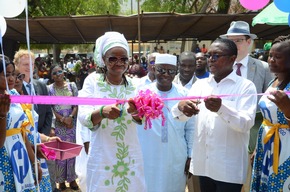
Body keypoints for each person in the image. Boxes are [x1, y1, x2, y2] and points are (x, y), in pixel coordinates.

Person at [172, 39, 257, 192]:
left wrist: (221, 108)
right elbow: (181, 118)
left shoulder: (245, 86)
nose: (210, 60)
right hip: (203, 164)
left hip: (228, 168)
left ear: (232, 59)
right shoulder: (200, 85)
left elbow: (246, 124)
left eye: (216, 56)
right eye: (209, 55)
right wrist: (181, 108)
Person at [77, 31, 146, 192]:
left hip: (130, 153)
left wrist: (136, 112)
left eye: (123, 59)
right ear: (103, 60)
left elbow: (141, 119)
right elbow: (83, 116)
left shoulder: (135, 85)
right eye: (112, 58)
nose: (119, 63)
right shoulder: (93, 81)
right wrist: (102, 112)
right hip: (102, 154)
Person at [220, 21, 274, 192]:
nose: (233, 45)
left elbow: (270, 104)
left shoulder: (263, 68)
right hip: (225, 133)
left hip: (254, 135)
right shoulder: (219, 67)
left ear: (249, 42)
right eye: (230, 40)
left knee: (250, 181)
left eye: (238, 40)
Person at [137, 54, 195, 192]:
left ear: (176, 72)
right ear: (154, 69)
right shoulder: (143, 93)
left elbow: (191, 128)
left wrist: (190, 155)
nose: (166, 75)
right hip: (148, 153)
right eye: (161, 70)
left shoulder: (184, 94)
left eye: (171, 71)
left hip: (175, 154)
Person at [13, 50, 57, 191]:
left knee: (45, 177)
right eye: (25, 64)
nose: (29, 67)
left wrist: (41, 136)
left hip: (41, 138)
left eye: (32, 64)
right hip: (24, 141)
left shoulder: (41, 85)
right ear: (16, 65)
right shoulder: (13, 88)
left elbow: (48, 111)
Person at [251, 35, 290, 191]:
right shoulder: (272, 83)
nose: (271, 60)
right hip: (266, 147)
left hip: (286, 148)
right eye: (270, 56)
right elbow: (267, 119)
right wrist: (257, 148)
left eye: (277, 57)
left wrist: (287, 108)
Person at [0, 54, 41, 191]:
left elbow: (22, 131)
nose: (11, 78)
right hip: (4, 158)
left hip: (20, 155)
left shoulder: (14, 94)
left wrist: (34, 161)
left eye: (12, 74)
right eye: (5, 75)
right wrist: (2, 115)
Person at [47, 65, 79, 191]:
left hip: (71, 125)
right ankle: (60, 181)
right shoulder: (49, 89)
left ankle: (71, 179)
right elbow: (51, 108)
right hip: (59, 126)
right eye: (55, 73)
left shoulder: (72, 86)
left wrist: (70, 117)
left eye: (60, 71)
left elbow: (76, 104)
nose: (58, 74)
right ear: (51, 76)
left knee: (71, 151)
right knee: (60, 152)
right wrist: (62, 119)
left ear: (63, 72)